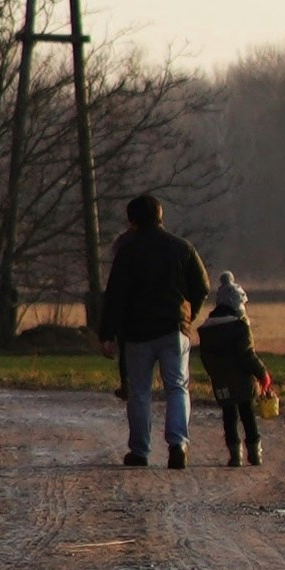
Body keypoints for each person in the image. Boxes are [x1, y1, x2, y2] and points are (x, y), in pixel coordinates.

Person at [94, 187, 212, 470]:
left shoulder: (128, 252)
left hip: (137, 334)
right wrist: (189, 315)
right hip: (173, 328)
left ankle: (140, 451)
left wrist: (107, 334)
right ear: (160, 216)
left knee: (139, 393)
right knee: (177, 387)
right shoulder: (182, 247)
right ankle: (178, 444)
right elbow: (202, 286)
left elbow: (115, 296)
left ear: (132, 221)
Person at [195, 268, 264, 466]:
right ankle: (254, 453)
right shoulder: (240, 327)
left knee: (229, 416)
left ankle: (235, 455)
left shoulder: (208, 330)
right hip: (242, 379)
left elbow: (206, 358)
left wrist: (215, 375)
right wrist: (262, 373)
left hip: (221, 380)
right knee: (247, 413)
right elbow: (246, 355)